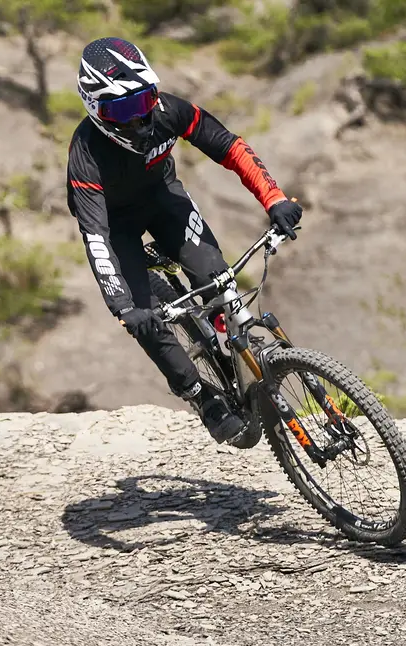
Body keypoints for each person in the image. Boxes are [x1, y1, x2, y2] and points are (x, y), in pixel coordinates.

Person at [66, 36, 304, 442]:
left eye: (144, 100)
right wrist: (123, 306)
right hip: (115, 226)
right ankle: (200, 396)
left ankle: (233, 341)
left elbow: (230, 147)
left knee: (219, 281)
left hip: (163, 199)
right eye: (123, 110)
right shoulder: (85, 154)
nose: (140, 118)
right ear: (96, 109)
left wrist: (274, 199)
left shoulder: (167, 110)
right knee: (144, 319)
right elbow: (96, 237)